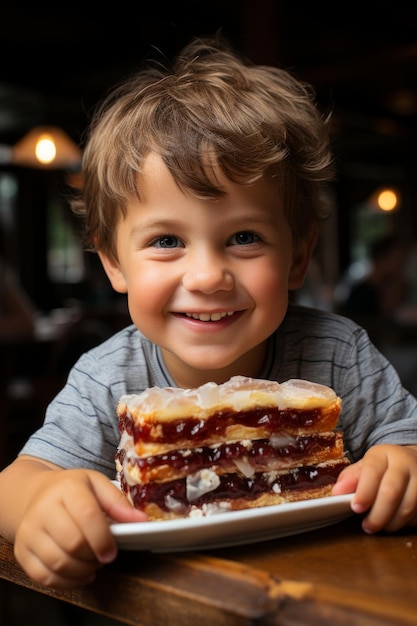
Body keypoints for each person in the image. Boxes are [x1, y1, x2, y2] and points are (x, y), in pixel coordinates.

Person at [0, 36, 416, 590]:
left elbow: (406, 438)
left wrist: (404, 465)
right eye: (167, 240)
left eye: (244, 237)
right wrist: (40, 501)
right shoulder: (107, 377)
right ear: (114, 264)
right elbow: (16, 483)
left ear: (298, 258)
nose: (206, 277)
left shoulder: (338, 353)